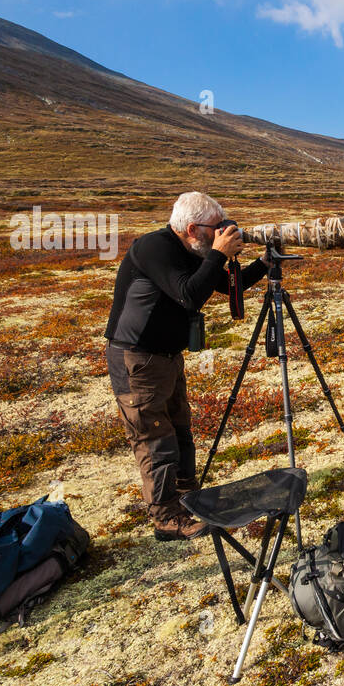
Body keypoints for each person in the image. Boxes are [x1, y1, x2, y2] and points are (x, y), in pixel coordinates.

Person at [104, 192, 268, 540]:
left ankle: (188, 498)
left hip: (166, 357)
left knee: (180, 430)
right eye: (217, 228)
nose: (223, 232)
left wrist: (265, 263)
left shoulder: (191, 250)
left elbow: (224, 285)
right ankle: (166, 518)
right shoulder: (154, 248)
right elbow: (189, 294)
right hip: (137, 359)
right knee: (154, 439)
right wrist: (219, 254)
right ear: (192, 228)